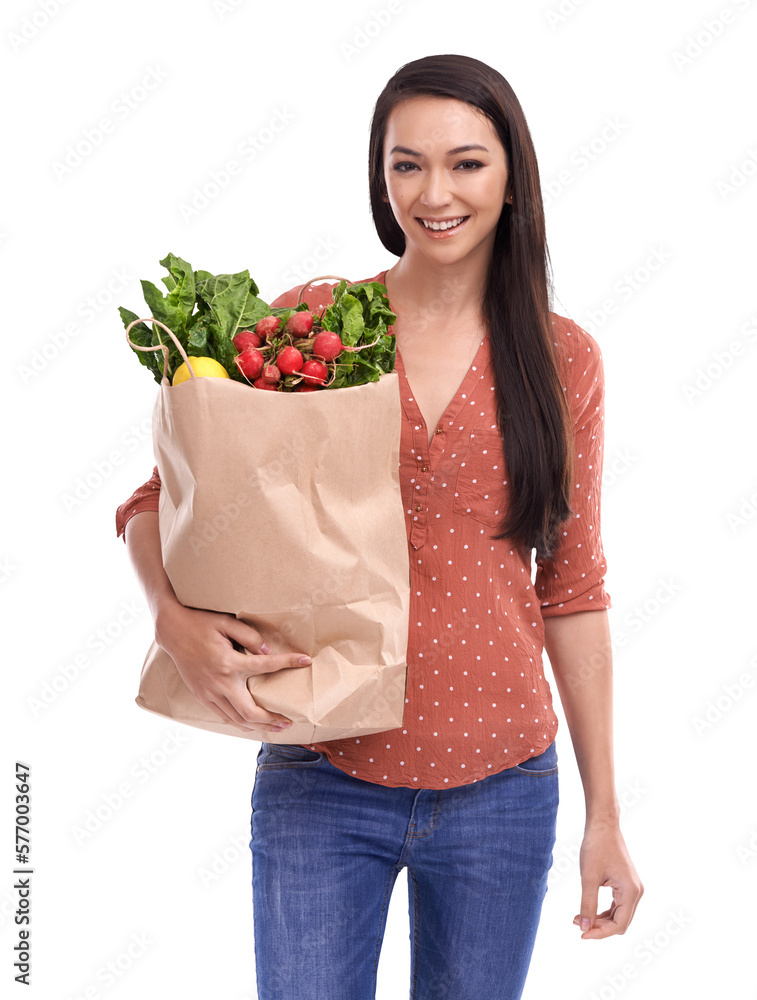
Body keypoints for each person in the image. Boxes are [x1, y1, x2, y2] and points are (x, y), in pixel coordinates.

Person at [116, 53, 643, 1000]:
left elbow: (572, 588)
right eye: (407, 164)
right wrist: (171, 618)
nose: (433, 193)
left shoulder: (565, 359)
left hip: (503, 785)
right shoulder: (317, 323)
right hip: (322, 772)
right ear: (380, 173)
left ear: (512, 173)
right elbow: (159, 497)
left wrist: (605, 813)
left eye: (465, 163)